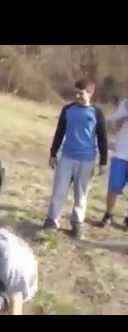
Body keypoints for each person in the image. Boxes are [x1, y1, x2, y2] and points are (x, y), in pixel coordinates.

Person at [43, 79, 108, 239]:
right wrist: (53, 153)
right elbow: (60, 132)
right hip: (67, 158)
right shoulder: (68, 110)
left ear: (90, 93)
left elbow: (102, 138)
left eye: (81, 92)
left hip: (87, 160)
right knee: (59, 191)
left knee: (81, 194)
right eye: (76, 92)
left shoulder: (97, 113)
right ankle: (52, 221)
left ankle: (77, 224)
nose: (77, 95)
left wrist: (103, 162)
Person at [100, 98, 128, 227]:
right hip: (121, 154)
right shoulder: (125, 104)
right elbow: (112, 124)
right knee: (114, 187)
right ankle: (108, 215)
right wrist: (122, 120)